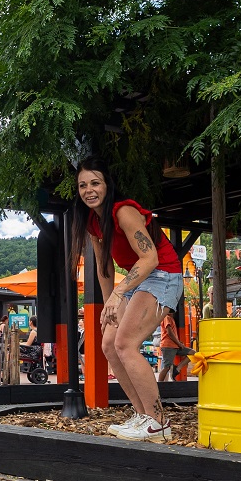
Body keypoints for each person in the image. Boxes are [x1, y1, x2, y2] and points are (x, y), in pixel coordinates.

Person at [69, 155, 185, 441]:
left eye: (95, 183)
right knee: (109, 343)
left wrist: (118, 294)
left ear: (108, 185)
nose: (88, 190)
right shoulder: (92, 222)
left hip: (162, 274)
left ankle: (158, 421)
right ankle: (143, 416)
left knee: (126, 344)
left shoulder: (124, 212)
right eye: (83, 185)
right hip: (138, 279)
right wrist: (110, 304)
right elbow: (104, 266)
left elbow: (150, 257)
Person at [156, 310, 182, 382]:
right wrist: (179, 343)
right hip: (168, 345)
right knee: (166, 367)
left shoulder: (170, 318)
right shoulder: (166, 317)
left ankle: (176, 369)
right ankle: (160, 384)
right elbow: (169, 332)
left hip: (173, 345)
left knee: (166, 365)